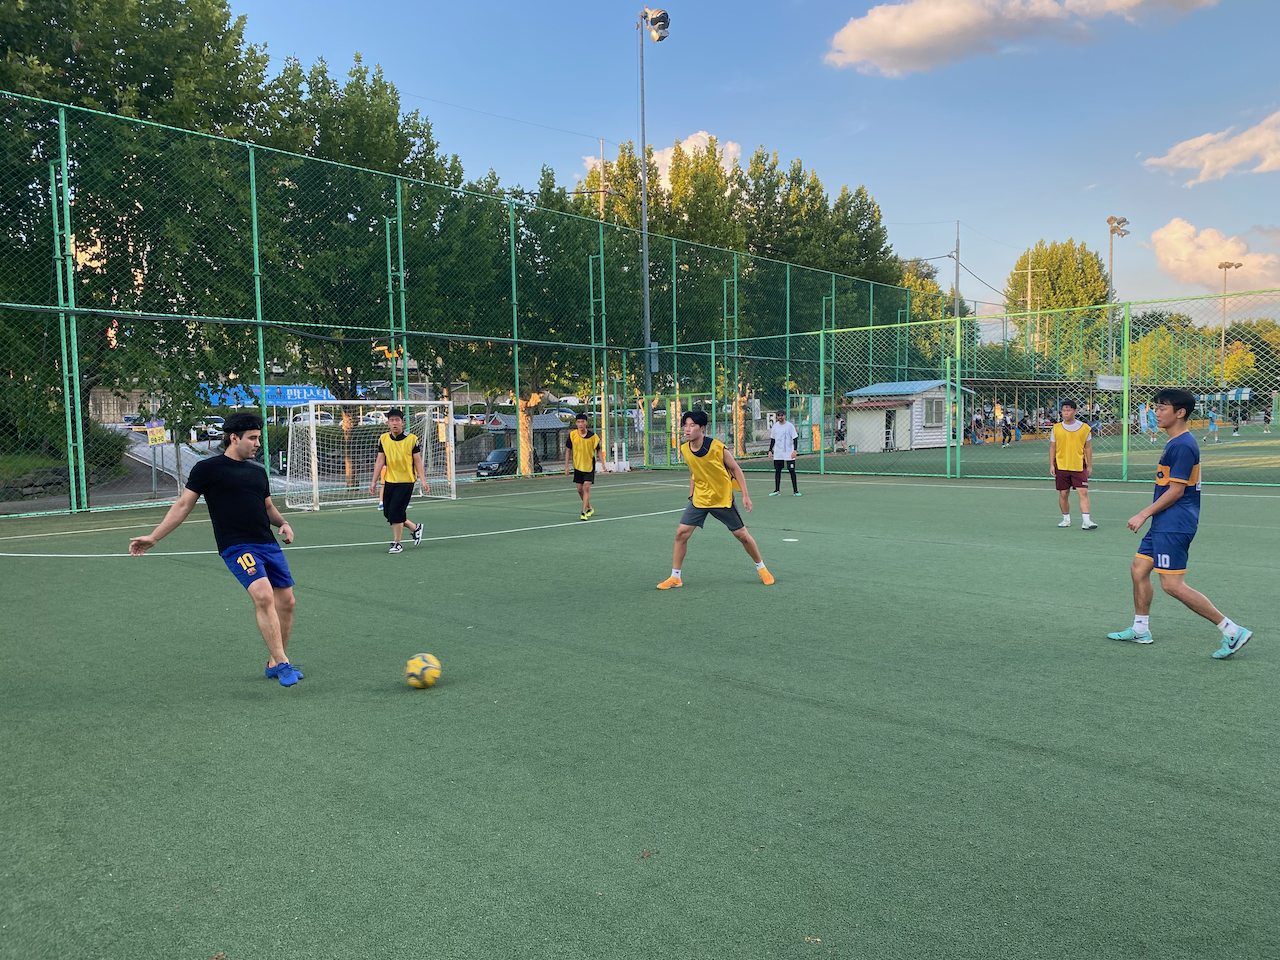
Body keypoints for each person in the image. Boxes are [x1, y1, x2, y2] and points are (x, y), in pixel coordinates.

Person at [128, 412, 302, 686]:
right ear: (234, 438)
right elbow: (183, 505)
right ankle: (282, 662)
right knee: (263, 595)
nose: (258, 444)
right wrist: (154, 537)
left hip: (267, 543)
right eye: (252, 438)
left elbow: (267, 506)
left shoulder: (257, 471)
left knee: (287, 602)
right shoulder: (207, 469)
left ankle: (273, 661)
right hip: (236, 546)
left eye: (258, 438)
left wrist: (283, 523)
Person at [1108, 388, 1252, 658]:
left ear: (1180, 413)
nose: (1157, 412)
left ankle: (1232, 630)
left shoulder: (1183, 445)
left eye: (1162, 408)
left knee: (1172, 585)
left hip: (1175, 523)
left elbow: (1176, 491)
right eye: (1156, 407)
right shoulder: (1175, 442)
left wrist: (1143, 514)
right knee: (1139, 569)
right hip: (1164, 522)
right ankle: (1140, 629)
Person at [657, 410, 773, 590]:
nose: (687, 429)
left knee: (742, 536)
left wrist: (745, 495)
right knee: (681, 533)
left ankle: (762, 569)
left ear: (702, 428)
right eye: (685, 425)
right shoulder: (685, 449)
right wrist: (691, 494)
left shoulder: (717, 448)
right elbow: (693, 471)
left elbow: (736, 469)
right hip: (699, 499)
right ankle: (675, 577)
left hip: (721, 498)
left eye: (692, 425)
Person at [367, 408, 424, 554]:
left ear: (402, 422)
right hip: (390, 481)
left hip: (406, 481)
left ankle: (397, 543)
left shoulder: (412, 439)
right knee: (388, 513)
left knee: (396, 512)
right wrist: (373, 481)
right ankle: (414, 527)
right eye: (391, 420)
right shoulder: (383, 439)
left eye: (397, 420)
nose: (394, 423)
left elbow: (418, 461)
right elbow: (380, 461)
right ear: (387, 423)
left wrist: (423, 480)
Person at [1049, 399, 1097, 530]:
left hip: (1078, 465)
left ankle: (1086, 521)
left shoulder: (1085, 428)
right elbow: (1053, 447)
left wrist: (1089, 465)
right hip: (1061, 465)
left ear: (1075, 411)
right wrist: (1052, 464)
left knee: (1083, 492)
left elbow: (1088, 448)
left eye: (1069, 410)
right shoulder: (1056, 428)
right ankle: (1066, 519)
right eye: (1064, 410)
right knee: (1063, 493)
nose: (1066, 413)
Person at [565, 412, 606, 520]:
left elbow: (598, 450)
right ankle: (590, 507)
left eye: (582, 422)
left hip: (589, 466)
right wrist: (566, 466)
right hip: (578, 465)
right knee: (579, 489)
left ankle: (583, 512)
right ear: (576, 423)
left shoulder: (593, 437)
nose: (580, 424)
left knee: (586, 487)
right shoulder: (572, 435)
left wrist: (603, 463)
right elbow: (568, 450)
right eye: (578, 422)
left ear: (586, 423)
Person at [768, 409, 800, 497]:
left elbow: (795, 438)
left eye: (782, 415)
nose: (780, 417)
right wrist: (770, 450)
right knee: (777, 471)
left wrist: (795, 450)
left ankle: (795, 491)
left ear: (785, 416)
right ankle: (777, 490)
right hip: (778, 453)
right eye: (778, 415)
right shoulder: (775, 426)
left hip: (789, 452)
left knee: (792, 471)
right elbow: (773, 439)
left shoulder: (790, 426)